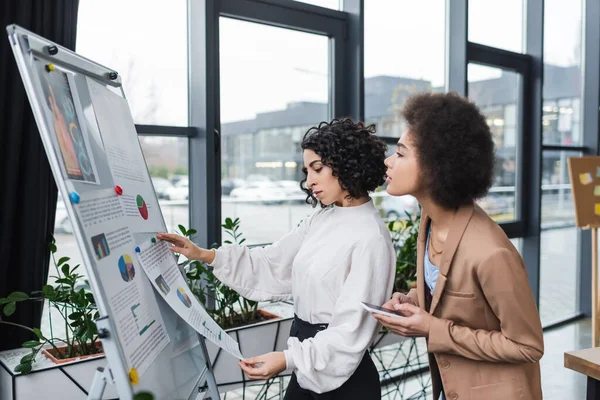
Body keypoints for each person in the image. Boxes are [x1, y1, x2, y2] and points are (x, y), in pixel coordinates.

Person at [157, 118, 396, 399]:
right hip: (307, 361)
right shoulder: (321, 218)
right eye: (307, 171)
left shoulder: (372, 238)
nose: (309, 181)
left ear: (347, 165)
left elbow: (350, 331)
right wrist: (203, 254)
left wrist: (286, 359)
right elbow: (273, 262)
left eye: (317, 169)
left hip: (343, 374)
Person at [373, 92, 544, 400]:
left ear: (436, 165)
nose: (388, 160)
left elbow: (528, 346)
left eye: (400, 154)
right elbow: (455, 300)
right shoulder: (429, 221)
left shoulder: (491, 253)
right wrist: (412, 301)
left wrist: (431, 329)